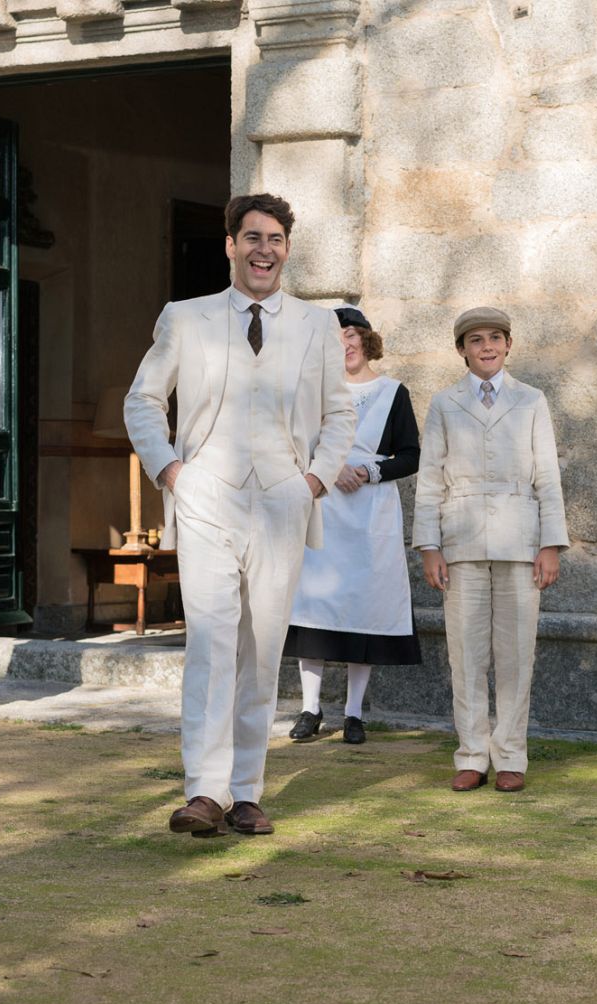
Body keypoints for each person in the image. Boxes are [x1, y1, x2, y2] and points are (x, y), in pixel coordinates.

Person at [124, 192, 356, 837]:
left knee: (261, 650)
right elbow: (143, 400)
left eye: (275, 238)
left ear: (286, 248)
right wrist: (171, 471)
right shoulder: (187, 317)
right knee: (211, 642)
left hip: (283, 498)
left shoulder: (315, 325)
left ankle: (247, 792)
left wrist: (311, 480)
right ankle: (204, 790)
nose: (263, 249)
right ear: (230, 245)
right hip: (206, 498)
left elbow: (341, 411)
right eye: (251, 237)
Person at [412, 306, 568, 793]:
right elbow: (430, 480)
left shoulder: (531, 400)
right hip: (460, 542)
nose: (486, 347)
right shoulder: (444, 403)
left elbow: (548, 476)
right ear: (461, 350)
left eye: (495, 338)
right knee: (466, 652)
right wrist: (429, 547)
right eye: (475, 340)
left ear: (508, 344)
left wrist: (550, 544)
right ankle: (472, 754)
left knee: (517, 652)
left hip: (521, 541)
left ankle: (511, 756)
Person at [284, 307, 421, 745]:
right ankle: (310, 708)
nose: (344, 344)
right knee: (315, 605)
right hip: (324, 506)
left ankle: (354, 713)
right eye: (334, 336)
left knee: (366, 606)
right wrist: (332, 466)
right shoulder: (313, 392)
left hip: (370, 512)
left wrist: (369, 472)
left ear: (365, 338)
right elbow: (293, 445)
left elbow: (411, 453)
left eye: (350, 334)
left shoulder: (392, 392)